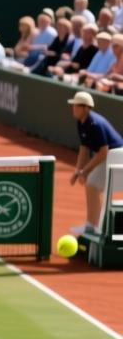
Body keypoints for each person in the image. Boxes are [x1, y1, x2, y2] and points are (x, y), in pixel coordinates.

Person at [68, 90, 123, 236]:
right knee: (92, 185)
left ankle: (95, 227)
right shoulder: (81, 122)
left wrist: (85, 171)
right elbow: (84, 148)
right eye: (73, 105)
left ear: (86, 108)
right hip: (109, 155)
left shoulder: (95, 124)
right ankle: (93, 225)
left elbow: (103, 152)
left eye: (77, 106)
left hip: (117, 155)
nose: (74, 108)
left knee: (92, 184)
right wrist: (77, 170)